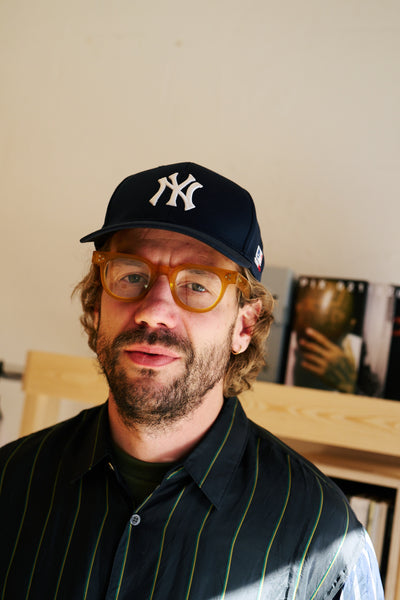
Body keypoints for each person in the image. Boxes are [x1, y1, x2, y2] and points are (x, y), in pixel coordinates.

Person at [0, 162, 384, 599]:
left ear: (244, 326)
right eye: (132, 276)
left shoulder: (324, 542)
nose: (154, 311)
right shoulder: (10, 483)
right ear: (97, 304)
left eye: (198, 285)